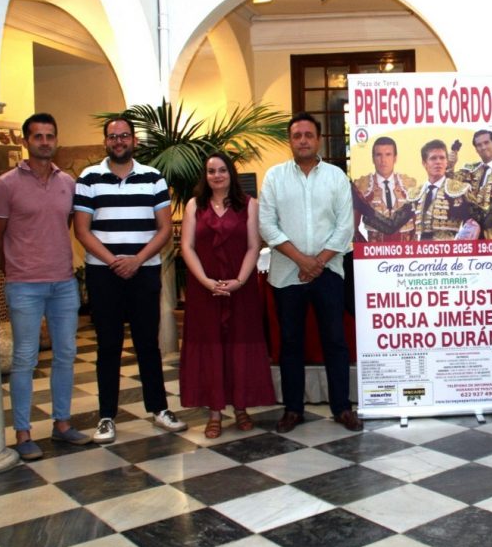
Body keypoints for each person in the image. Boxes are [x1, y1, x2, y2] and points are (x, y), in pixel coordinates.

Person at [73, 116, 185, 444]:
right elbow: (82, 229)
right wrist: (113, 262)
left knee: (147, 343)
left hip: (144, 270)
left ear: (133, 140)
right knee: (107, 345)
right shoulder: (88, 178)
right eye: (113, 136)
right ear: (105, 141)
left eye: (124, 136)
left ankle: (159, 408)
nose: (119, 141)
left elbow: (164, 228)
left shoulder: (153, 178)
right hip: (103, 273)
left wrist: (136, 259)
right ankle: (107, 415)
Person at [0, 113, 91, 459]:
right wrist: (16, 270)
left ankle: (62, 424)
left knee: (65, 354)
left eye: (50, 136)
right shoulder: (4, 185)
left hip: (63, 282)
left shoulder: (69, 183)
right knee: (24, 359)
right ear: (25, 141)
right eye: (38, 137)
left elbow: (69, 227)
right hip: (24, 286)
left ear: (56, 140)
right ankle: (23, 432)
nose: (45, 142)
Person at [259, 112, 362, 433]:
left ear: (318, 140)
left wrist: (317, 262)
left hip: (329, 273)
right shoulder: (274, 177)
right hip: (287, 275)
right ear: (290, 141)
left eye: (308, 135)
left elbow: (345, 227)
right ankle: (293, 409)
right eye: (296, 135)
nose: (302, 140)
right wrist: (302, 261)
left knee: (335, 341)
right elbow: (267, 225)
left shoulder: (336, 177)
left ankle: (342, 408)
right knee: (290, 343)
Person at [179, 152, 276, 438]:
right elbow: (187, 247)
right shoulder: (194, 206)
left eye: (222, 170)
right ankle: (214, 412)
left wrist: (240, 280)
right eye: (211, 171)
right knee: (210, 349)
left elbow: (253, 245)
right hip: (204, 290)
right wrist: (207, 282)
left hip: (239, 288)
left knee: (240, 347)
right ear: (205, 176)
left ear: (231, 174)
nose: (217, 175)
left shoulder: (249, 204)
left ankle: (242, 407)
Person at [364, 139, 492, 241]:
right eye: (433, 158)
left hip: (451, 258)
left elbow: (485, 221)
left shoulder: (459, 191)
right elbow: (391, 225)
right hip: (422, 258)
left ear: (447, 162)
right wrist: (366, 211)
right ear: (424, 163)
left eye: (442, 158)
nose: (438, 162)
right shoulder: (415, 195)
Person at [449, 128, 492, 238]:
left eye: (486, 143)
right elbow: (449, 186)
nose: (483, 147)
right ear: (476, 149)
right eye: (479, 145)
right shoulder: (469, 169)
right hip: (470, 233)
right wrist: (451, 165)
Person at [352, 136, 417, 242]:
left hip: (406, 254)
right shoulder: (362, 186)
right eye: (379, 155)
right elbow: (353, 230)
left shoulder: (409, 184)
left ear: (395, 158)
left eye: (388, 154)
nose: (383, 160)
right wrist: (365, 251)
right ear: (373, 158)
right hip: (374, 253)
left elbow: (417, 227)